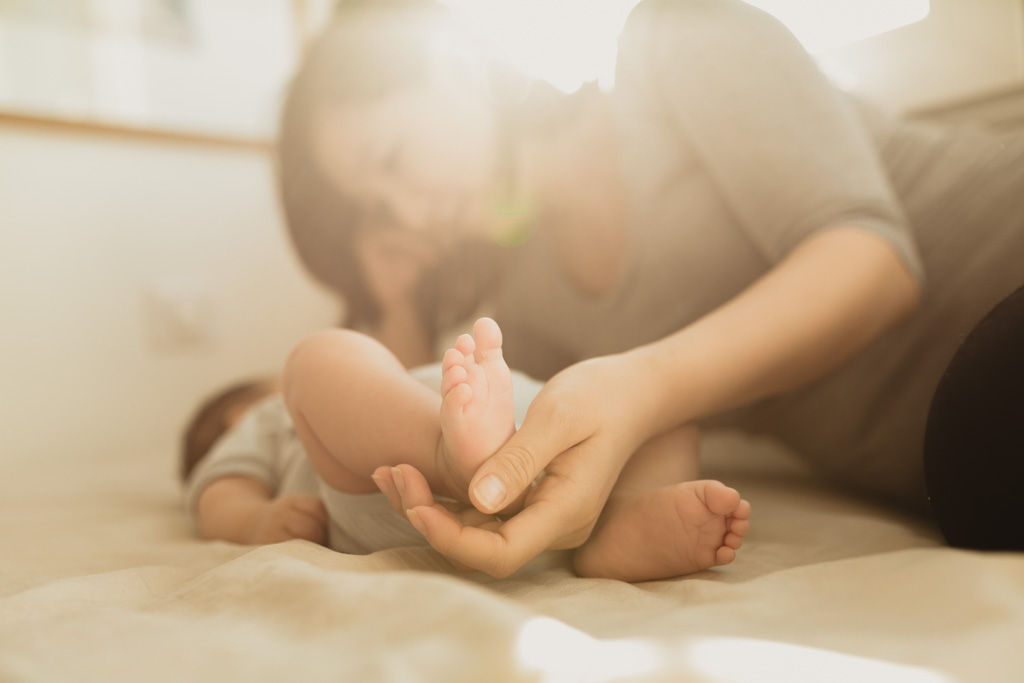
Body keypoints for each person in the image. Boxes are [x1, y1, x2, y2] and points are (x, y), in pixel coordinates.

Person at [276, 0, 1024, 576]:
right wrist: (388, 291)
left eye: (392, 158)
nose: (410, 216)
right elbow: (401, 415)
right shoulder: (526, 310)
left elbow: (873, 265)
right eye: (379, 213)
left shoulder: (676, 37)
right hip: (967, 460)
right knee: (980, 465)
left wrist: (642, 386)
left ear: (449, 62)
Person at [182, 318, 751, 582]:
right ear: (235, 417)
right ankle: (451, 460)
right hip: (390, 487)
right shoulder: (266, 417)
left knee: (669, 415)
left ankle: (615, 519)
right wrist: (254, 519)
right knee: (314, 361)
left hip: (563, 458)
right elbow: (218, 492)